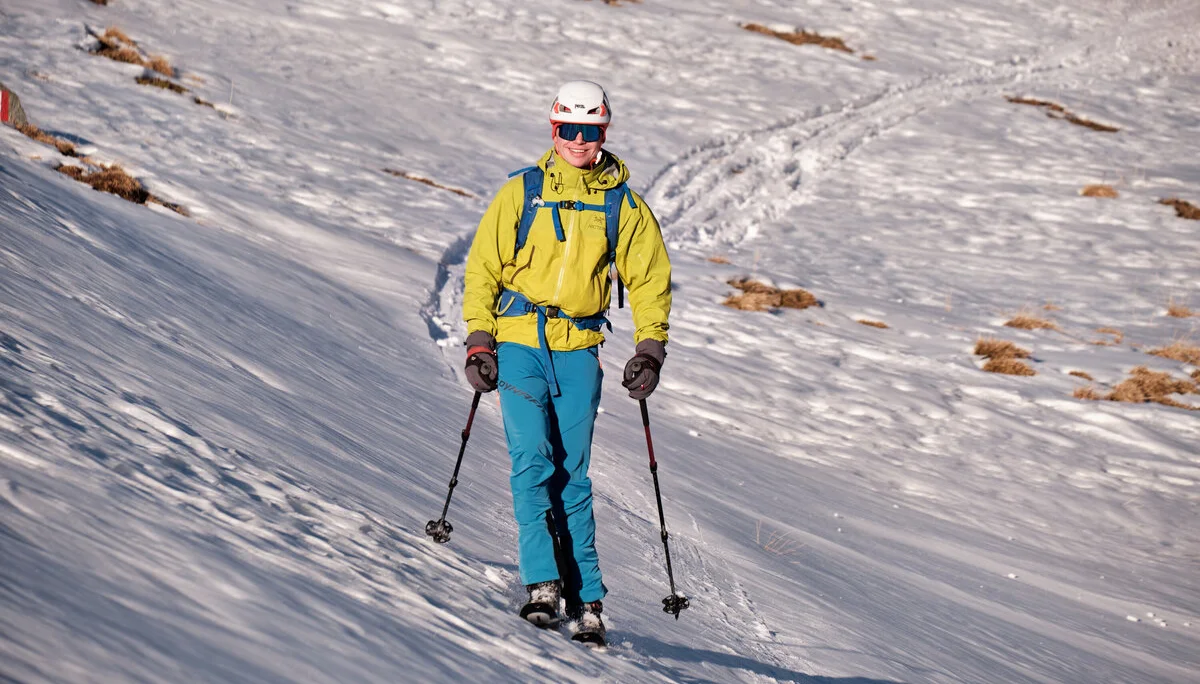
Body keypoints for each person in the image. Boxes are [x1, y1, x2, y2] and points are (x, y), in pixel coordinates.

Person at [461, 80, 672, 644]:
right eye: (570, 129)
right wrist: (480, 342)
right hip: (519, 342)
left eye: (591, 130)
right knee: (532, 462)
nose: (580, 141)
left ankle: (588, 599)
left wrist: (650, 349)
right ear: (553, 129)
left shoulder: (622, 204)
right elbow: (483, 267)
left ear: (605, 131)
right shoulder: (522, 192)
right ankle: (542, 584)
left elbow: (650, 280)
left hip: (580, 349)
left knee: (572, 476)